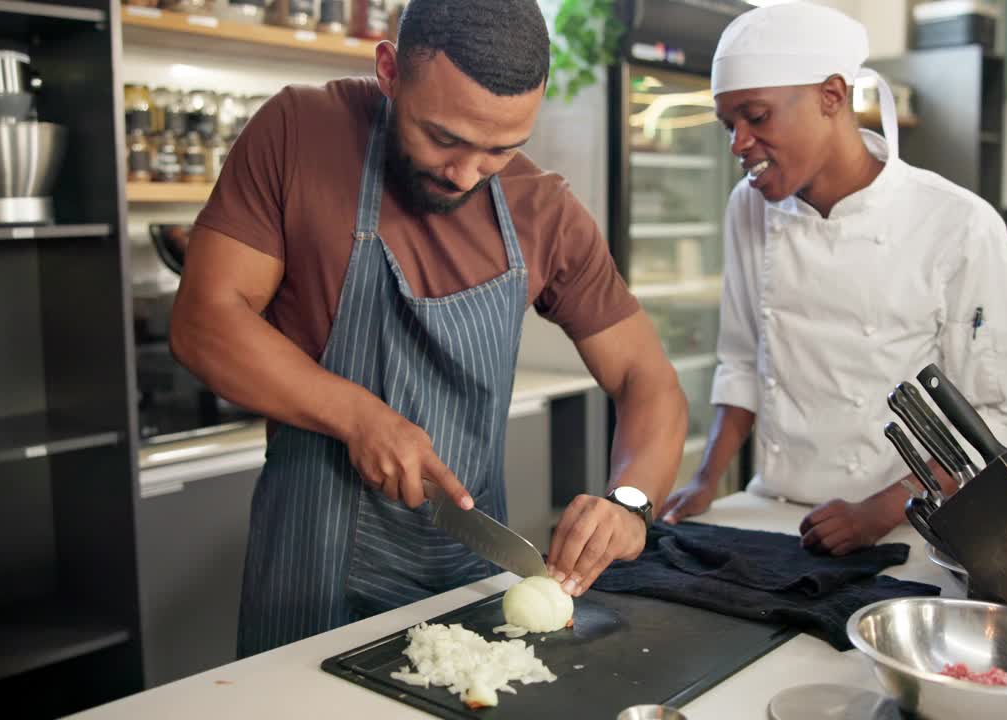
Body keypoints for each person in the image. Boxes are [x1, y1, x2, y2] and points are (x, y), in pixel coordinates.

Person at [169, 0, 688, 657]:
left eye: (501, 149)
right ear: (389, 70)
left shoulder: (544, 212)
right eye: (443, 137)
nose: (465, 173)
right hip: (306, 576)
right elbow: (204, 320)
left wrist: (631, 500)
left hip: (468, 583)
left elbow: (651, 380)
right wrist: (360, 417)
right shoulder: (300, 132)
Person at [659, 3, 1007, 555]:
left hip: (916, 526)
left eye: (756, 117)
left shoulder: (958, 224)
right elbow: (742, 359)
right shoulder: (749, 207)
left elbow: (1001, 418)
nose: (737, 143)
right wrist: (706, 479)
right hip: (776, 512)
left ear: (832, 96)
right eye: (728, 125)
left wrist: (879, 512)